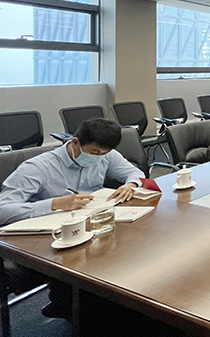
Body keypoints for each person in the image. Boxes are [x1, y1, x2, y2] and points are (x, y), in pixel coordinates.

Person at [0, 118, 142, 319]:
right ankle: (69, 306)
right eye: (94, 153)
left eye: (104, 154)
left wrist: (131, 185)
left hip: (90, 229)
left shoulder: (106, 155)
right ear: (75, 142)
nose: (99, 158)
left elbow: (134, 173)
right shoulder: (37, 167)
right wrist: (54, 204)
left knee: (125, 251)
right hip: (47, 241)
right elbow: (3, 209)